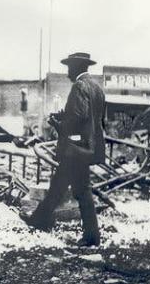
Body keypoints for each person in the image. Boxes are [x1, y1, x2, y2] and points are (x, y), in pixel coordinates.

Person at [23, 52, 106, 247]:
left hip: (75, 149)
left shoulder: (79, 87)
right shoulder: (96, 88)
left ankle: (91, 237)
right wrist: (64, 115)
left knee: (79, 191)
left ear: (77, 68)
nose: (68, 72)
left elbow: (78, 117)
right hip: (86, 148)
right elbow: (94, 118)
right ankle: (40, 220)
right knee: (59, 187)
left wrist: (58, 124)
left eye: (69, 67)